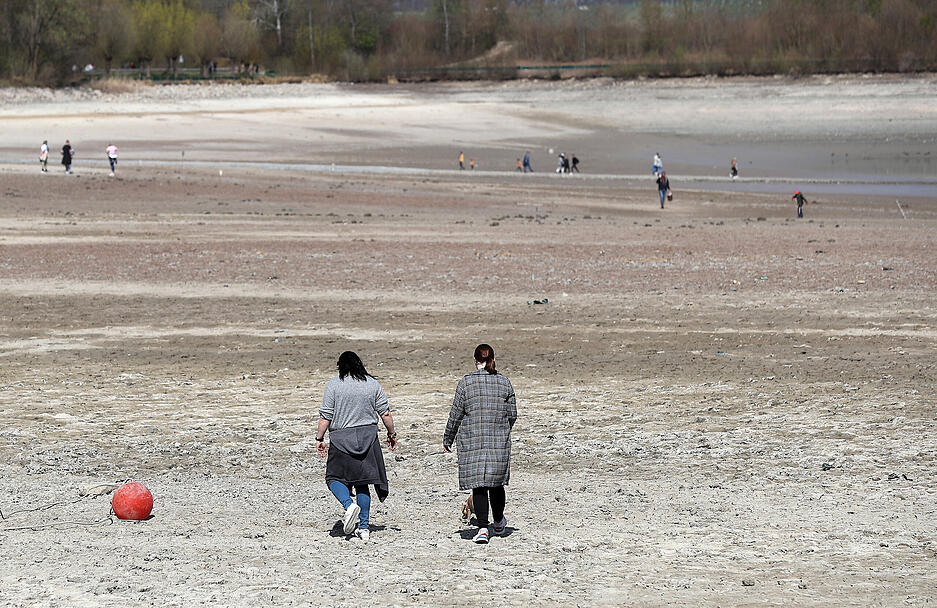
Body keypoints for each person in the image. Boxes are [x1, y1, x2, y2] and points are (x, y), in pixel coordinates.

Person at [316, 351, 397, 541]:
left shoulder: (334, 385)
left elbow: (326, 415)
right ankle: (364, 528)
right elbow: (385, 413)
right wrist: (392, 434)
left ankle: (348, 505)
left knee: (333, 478)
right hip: (368, 439)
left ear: (341, 367)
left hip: (341, 439)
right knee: (363, 483)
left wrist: (319, 438)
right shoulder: (372, 383)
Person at [443, 344, 517, 544]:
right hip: (498, 441)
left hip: (473, 440)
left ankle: (483, 528)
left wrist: (448, 438)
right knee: (496, 484)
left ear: (476, 360)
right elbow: (512, 415)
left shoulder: (466, 383)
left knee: (479, 486)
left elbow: (455, 414)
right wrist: (500, 429)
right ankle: (499, 521)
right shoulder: (504, 382)